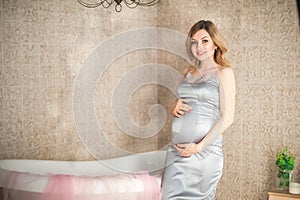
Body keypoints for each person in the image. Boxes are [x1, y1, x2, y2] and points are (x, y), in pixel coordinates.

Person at [161, 20, 236, 200]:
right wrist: (174, 105)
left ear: (215, 44)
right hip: (176, 153)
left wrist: (198, 147)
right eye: (194, 42)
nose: (198, 47)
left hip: (204, 154)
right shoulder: (187, 71)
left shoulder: (224, 72)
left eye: (204, 41)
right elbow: (185, 101)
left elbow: (227, 117)